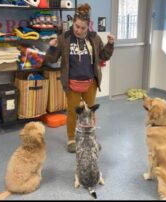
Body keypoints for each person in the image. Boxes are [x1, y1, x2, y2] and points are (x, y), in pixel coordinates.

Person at [45, 3, 115, 153]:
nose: (79, 30)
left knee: (90, 112)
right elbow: (51, 59)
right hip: (71, 84)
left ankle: (90, 138)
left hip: (90, 82)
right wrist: (51, 47)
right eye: (77, 26)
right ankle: (71, 139)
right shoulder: (64, 38)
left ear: (88, 26)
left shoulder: (94, 38)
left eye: (83, 28)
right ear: (73, 23)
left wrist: (110, 44)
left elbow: (103, 56)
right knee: (72, 112)